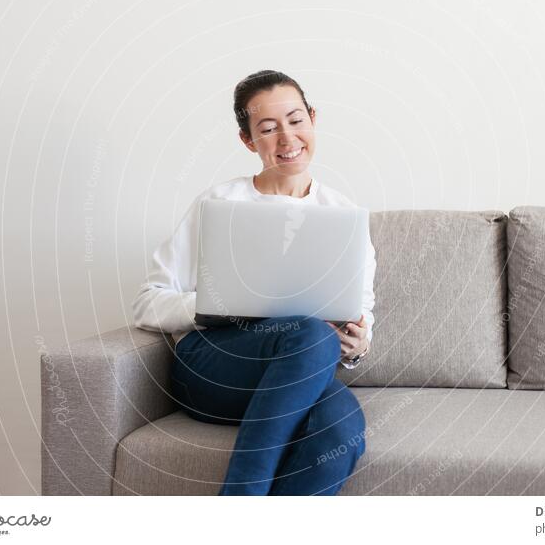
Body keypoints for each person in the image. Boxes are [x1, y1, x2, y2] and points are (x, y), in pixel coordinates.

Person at [132, 70, 377, 496]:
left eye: (296, 120)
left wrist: (358, 345)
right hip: (213, 368)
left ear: (313, 119)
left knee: (341, 430)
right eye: (268, 129)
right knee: (311, 334)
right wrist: (215, 303)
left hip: (296, 372)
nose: (287, 138)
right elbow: (146, 303)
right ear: (248, 140)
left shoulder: (344, 217)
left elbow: (360, 310)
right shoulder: (219, 205)